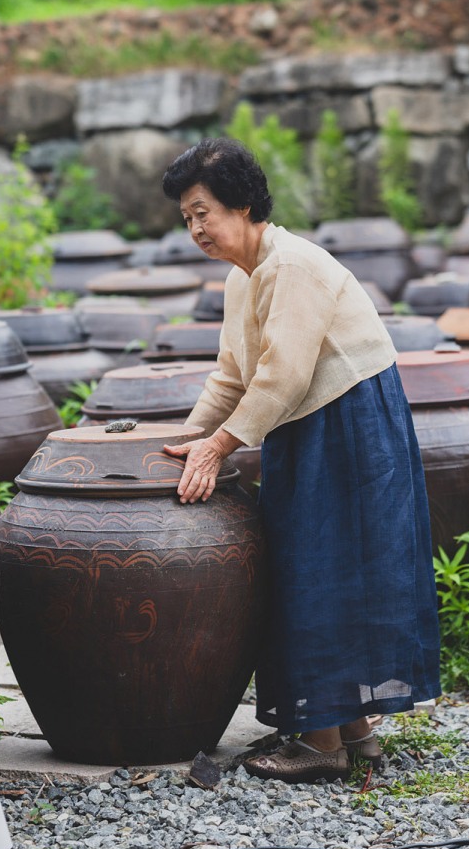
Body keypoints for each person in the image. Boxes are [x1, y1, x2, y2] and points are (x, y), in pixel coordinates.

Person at [161, 137, 440, 784]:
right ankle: (356, 727)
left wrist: (222, 444)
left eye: (203, 210)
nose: (196, 227)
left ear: (243, 202)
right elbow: (232, 378)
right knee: (318, 562)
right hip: (311, 424)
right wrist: (186, 437)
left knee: (323, 567)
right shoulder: (244, 277)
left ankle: (322, 743)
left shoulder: (292, 265)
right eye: (187, 218)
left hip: (349, 421)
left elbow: (283, 376)